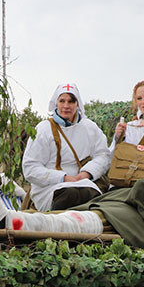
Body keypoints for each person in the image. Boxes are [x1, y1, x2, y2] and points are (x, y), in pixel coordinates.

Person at [22, 83, 111, 212]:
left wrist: (86, 173)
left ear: (77, 104)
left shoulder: (90, 128)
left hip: (84, 183)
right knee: (70, 194)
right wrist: (63, 178)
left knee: (90, 196)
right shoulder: (43, 129)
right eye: (62, 101)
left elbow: (103, 155)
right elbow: (30, 168)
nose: (66, 106)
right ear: (56, 103)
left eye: (71, 101)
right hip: (49, 188)